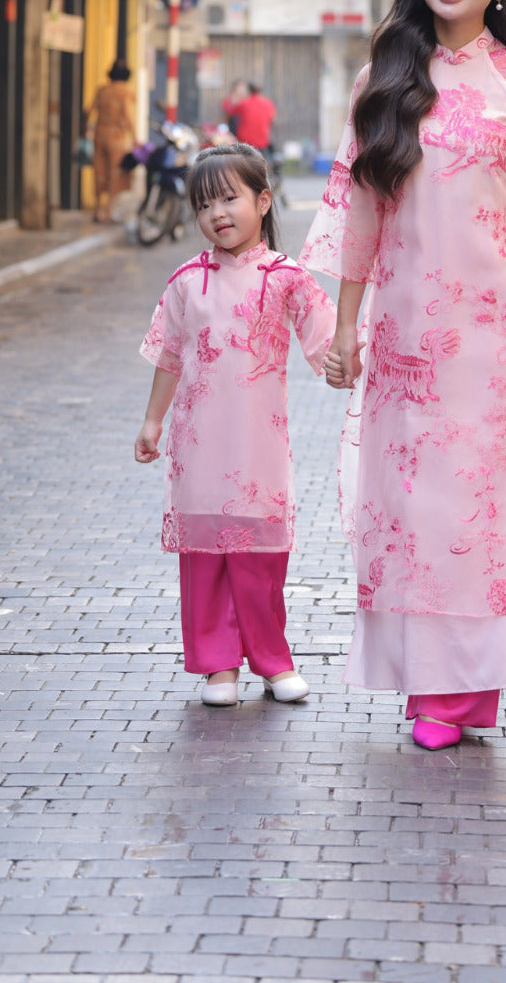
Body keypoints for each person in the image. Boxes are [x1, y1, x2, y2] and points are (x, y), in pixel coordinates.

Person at [301, 0, 506, 751]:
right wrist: (346, 326)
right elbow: (360, 214)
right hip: (401, 330)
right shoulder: (382, 78)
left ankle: (472, 689)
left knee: (483, 510)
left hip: (492, 336)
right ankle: (429, 687)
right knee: (410, 503)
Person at [134, 142, 336, 707]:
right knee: (205, 560)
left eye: (229, 198)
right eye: (204, 205)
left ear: (263, 200)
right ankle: (218, 666)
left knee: (258, 560)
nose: (217, 214)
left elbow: (328, 345)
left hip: (257, 448)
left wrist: (352, 362)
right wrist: (153, 421)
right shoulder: (184, 283)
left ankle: (273, 661)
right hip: (197, 447)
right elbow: (170, 357)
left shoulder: (287, 278)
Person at [85, 60, 136, 223]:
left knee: (99, 171)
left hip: (99, 134)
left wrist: (89, 129)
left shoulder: (102, 90)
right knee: (115, 173)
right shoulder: (125, 92)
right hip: (116, 136)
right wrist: (135, 138)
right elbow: (128, 115)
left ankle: (97, 209)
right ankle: (108, 211)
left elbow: (88, 110)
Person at [233, 84, 277, 152]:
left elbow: (232, 112)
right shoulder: (268, 103)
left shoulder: (243, 103)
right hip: (262, 139)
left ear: (249, 90)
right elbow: (272, 120)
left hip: (245, 140)